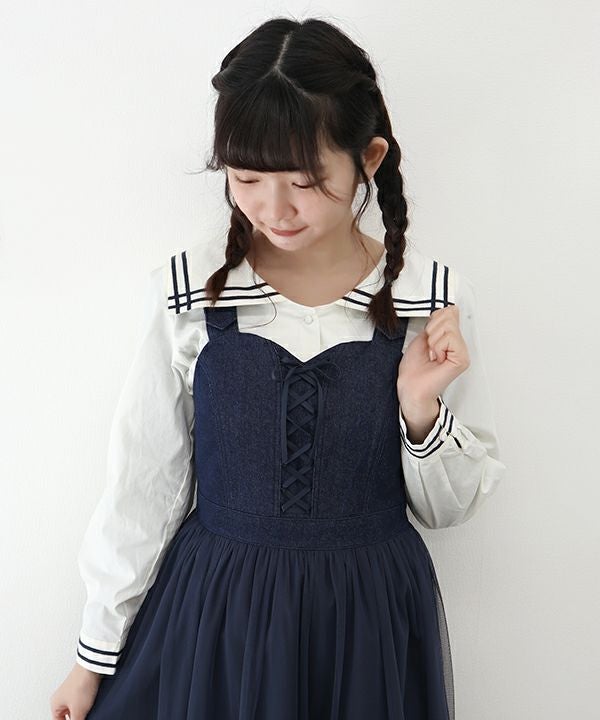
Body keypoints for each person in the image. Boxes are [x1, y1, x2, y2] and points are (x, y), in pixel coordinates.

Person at [50, 16, 506, 720]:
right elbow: (145, 484)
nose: (274, 208)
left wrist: (420, 410)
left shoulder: (428, 298)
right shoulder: (191, 292)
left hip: (367, 620)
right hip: (218, 617)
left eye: (304, 180)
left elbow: (449, 510)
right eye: (247, 177)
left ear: (369, 158)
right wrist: (92, 658)